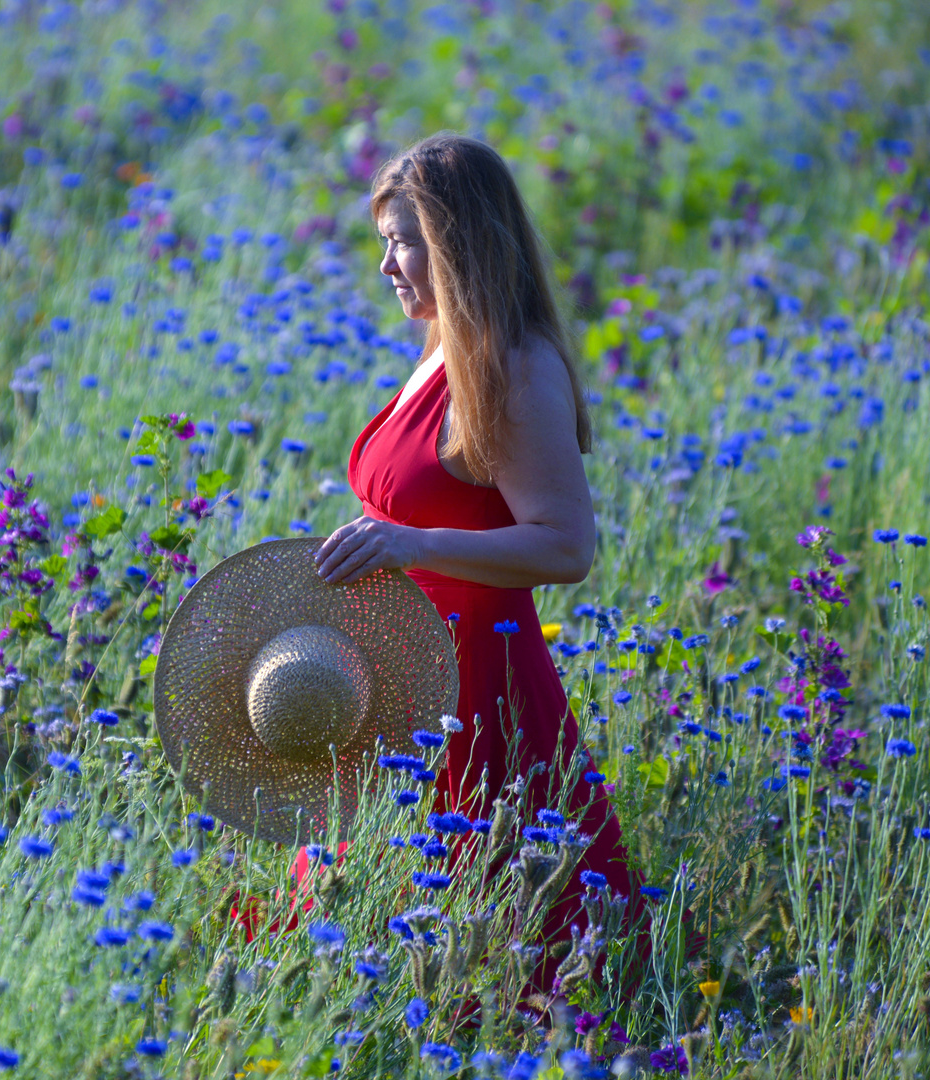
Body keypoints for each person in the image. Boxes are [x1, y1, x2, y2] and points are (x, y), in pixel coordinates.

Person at [305, 131, 646, 1001]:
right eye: (384, 240)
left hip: (477, 691)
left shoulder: (517, 367)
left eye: (404, 241)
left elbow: (566, 545)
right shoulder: (435, 351)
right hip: (402, 678)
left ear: (458, 243)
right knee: (378, 931)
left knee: (497, 953)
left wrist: (413, 546)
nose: (387, 265)